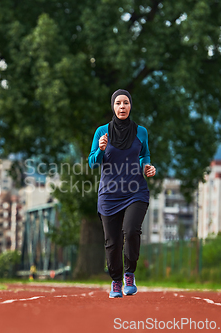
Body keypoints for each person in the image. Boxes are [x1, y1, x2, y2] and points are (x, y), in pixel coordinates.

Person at [88, 89, 156, 298]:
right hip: (109, 195)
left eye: (126, 103)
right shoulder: (102, 132)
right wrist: (100, 149)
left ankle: (129, 274)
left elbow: (144, 154)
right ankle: (116, 281)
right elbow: (92, 162)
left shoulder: (140, 131)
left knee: (131, 231)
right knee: (112, 242)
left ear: (130, 106)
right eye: (118, 103)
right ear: (113, 106)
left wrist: (147, 167)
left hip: (135, 191)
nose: (122, 107)